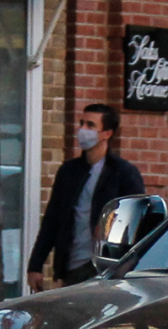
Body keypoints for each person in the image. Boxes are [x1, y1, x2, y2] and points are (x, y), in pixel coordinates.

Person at [27, 104, 144, 290]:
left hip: (106, 268)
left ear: (107, 133)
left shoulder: (123, 173)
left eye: (90, 125)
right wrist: (35, 264)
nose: (83, 130)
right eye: (82, 123)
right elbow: (52, 220)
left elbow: (137, 225)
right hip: (71, 265)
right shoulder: (69, 172)